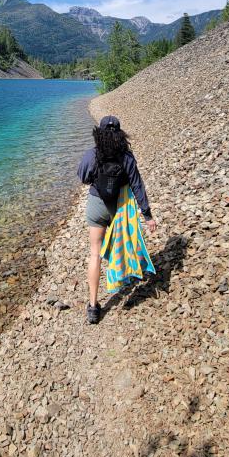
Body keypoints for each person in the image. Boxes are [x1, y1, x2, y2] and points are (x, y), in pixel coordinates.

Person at [77, 115, 156, 324]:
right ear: (120, 133)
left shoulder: (92, 154)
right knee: (120, 245)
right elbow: (137, 185)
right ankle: (123, 276)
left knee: (95, 254)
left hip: (96, 205)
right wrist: (147, 215)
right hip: (120, 208)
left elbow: (83, 177)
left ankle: (93, 307)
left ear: (100, 133)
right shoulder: (126, 157)